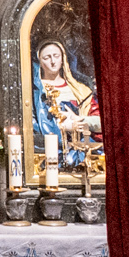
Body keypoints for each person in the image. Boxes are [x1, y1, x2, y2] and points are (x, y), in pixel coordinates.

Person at [31, 38, 100, 170]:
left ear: (63, 58)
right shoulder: (35, 91)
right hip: (50, 154)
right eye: (47, 57)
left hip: (82, 150)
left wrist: (81, 121)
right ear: (39, 61)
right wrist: (60, 127)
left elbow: (101, 123)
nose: (53, 61)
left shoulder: (80, 90)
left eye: (56, 56)